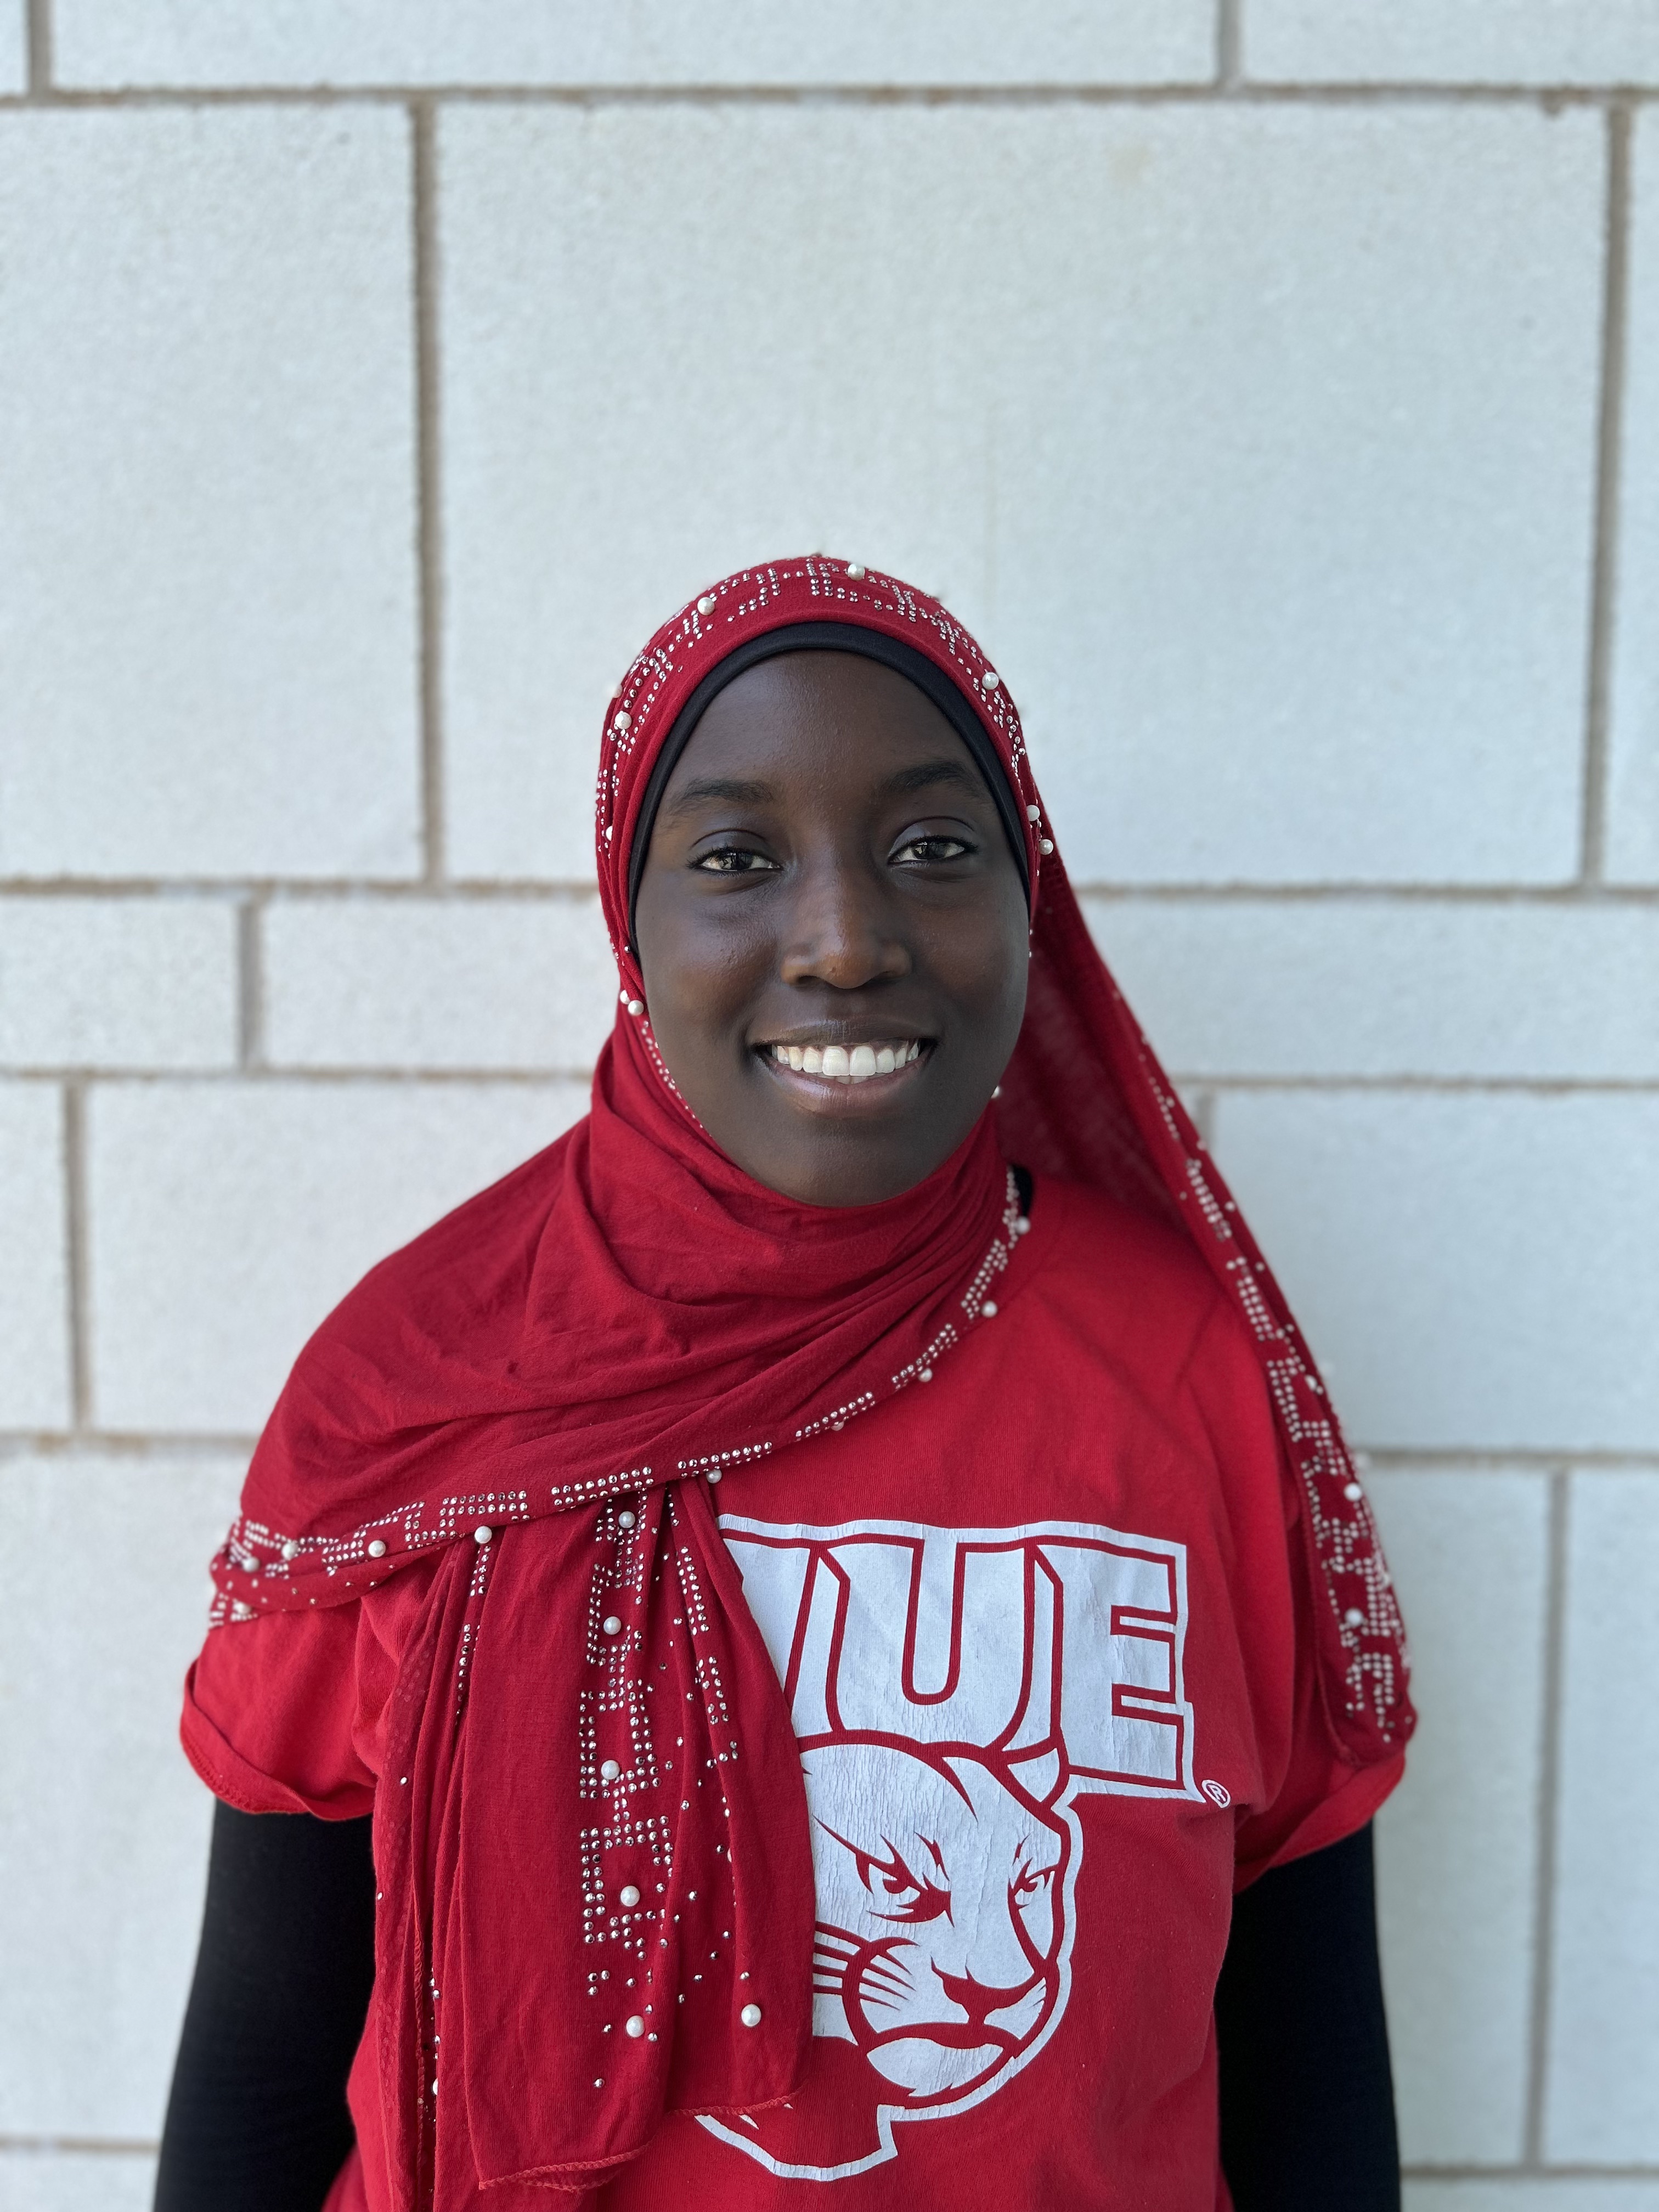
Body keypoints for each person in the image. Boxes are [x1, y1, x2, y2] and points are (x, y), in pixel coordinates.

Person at [156, 558, 1411, 2212]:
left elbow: (1305, 2040)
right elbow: (266, 2035)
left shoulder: (1183, 1366)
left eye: (935, 850)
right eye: (738, 858)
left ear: (1029, 899)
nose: (843, 939)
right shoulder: (421, 1386)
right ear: (634, 918)